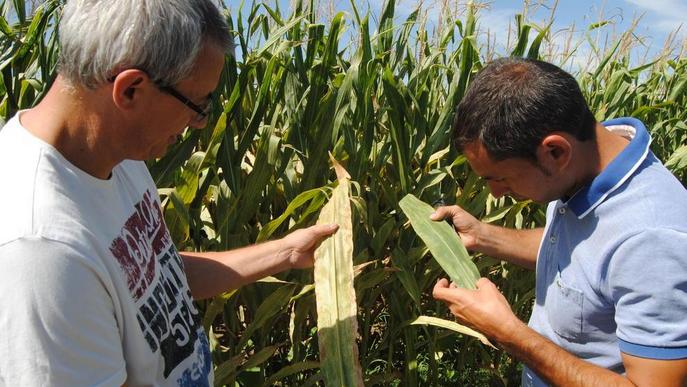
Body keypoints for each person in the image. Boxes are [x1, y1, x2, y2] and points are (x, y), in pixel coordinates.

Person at [0, 0, 337, 385]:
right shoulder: (42, 250)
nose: (199, 124)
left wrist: (286, 252)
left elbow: (153, 277)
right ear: (130, 90)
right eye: (197, 104)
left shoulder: (118, 158)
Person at [430, 57, 687, 386]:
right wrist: (481, 236)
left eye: (502, 179)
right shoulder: (585, 167)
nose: (495, 194)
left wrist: (509, 334)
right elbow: (583, 255)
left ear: (555, 152)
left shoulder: (653, 240)